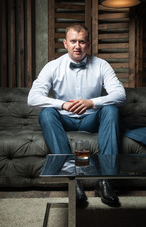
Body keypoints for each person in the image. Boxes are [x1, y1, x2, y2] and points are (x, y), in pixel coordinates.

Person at [28, 23, 126, 207]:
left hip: (91, 119)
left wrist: (92, 102)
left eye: (82, 42)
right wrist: (62, 104)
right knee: (47, 113)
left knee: (111, 109)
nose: (77, 46)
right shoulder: (53, 66)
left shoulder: (101, 65)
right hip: (64, 120)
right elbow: (32, 98)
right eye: (73, 41)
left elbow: (120, 95)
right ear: (65, 43)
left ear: (88, 44)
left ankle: (105, 181)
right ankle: (75, 182)